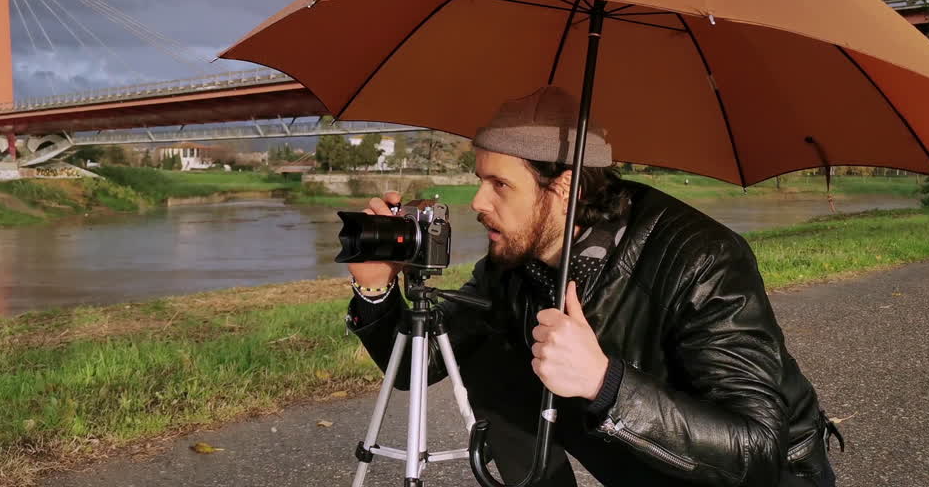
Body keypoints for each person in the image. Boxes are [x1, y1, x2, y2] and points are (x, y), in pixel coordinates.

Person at [345, 86, 840, 486]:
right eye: (480, 179)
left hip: (764, 477)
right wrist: (376, 293)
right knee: (487, 356)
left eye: (499, 184)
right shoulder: (515, 264)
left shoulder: (701, 258)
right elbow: (421, 366)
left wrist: (604, 382)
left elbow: (755, 447)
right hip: (644, 456)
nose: (477, 201)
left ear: (565, 190)